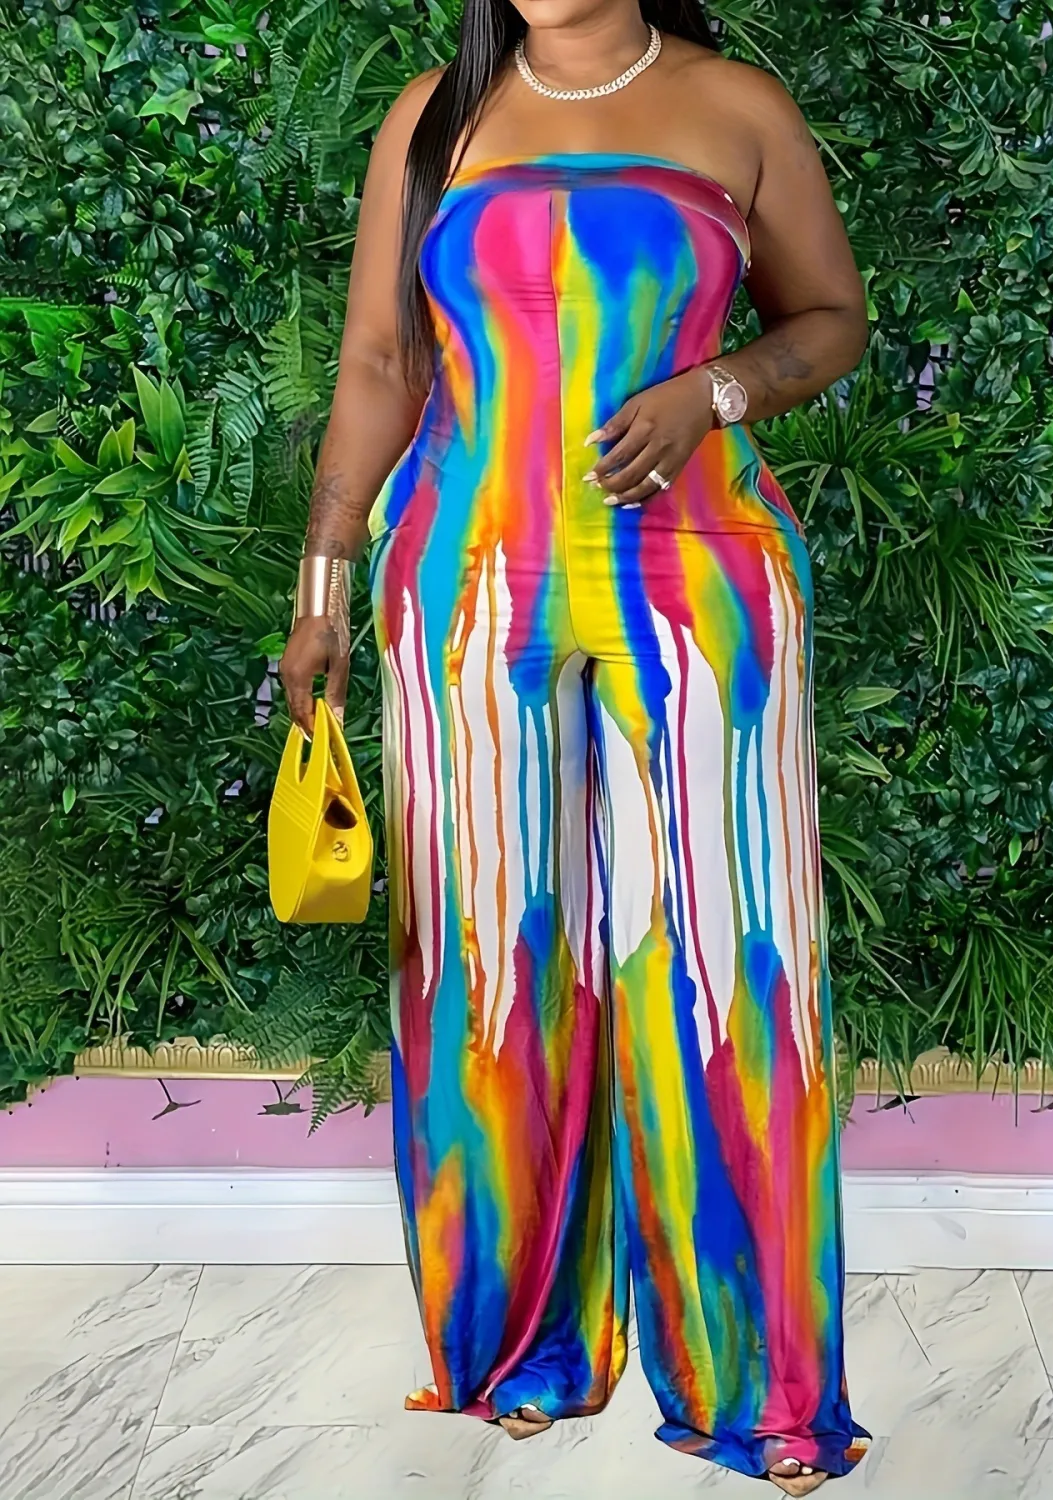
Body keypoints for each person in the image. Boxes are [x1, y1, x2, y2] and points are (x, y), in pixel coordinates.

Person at [280, 1, 871, 1492]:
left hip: (705, 577)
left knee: (733, 963)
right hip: (467, 578)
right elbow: (378, 361)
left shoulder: (737, 104)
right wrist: (323, 585)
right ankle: (519, 1348)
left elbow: (830, 320)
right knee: (486, 958)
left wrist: (714, 391)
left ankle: (762, 1389)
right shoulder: (434, 115)